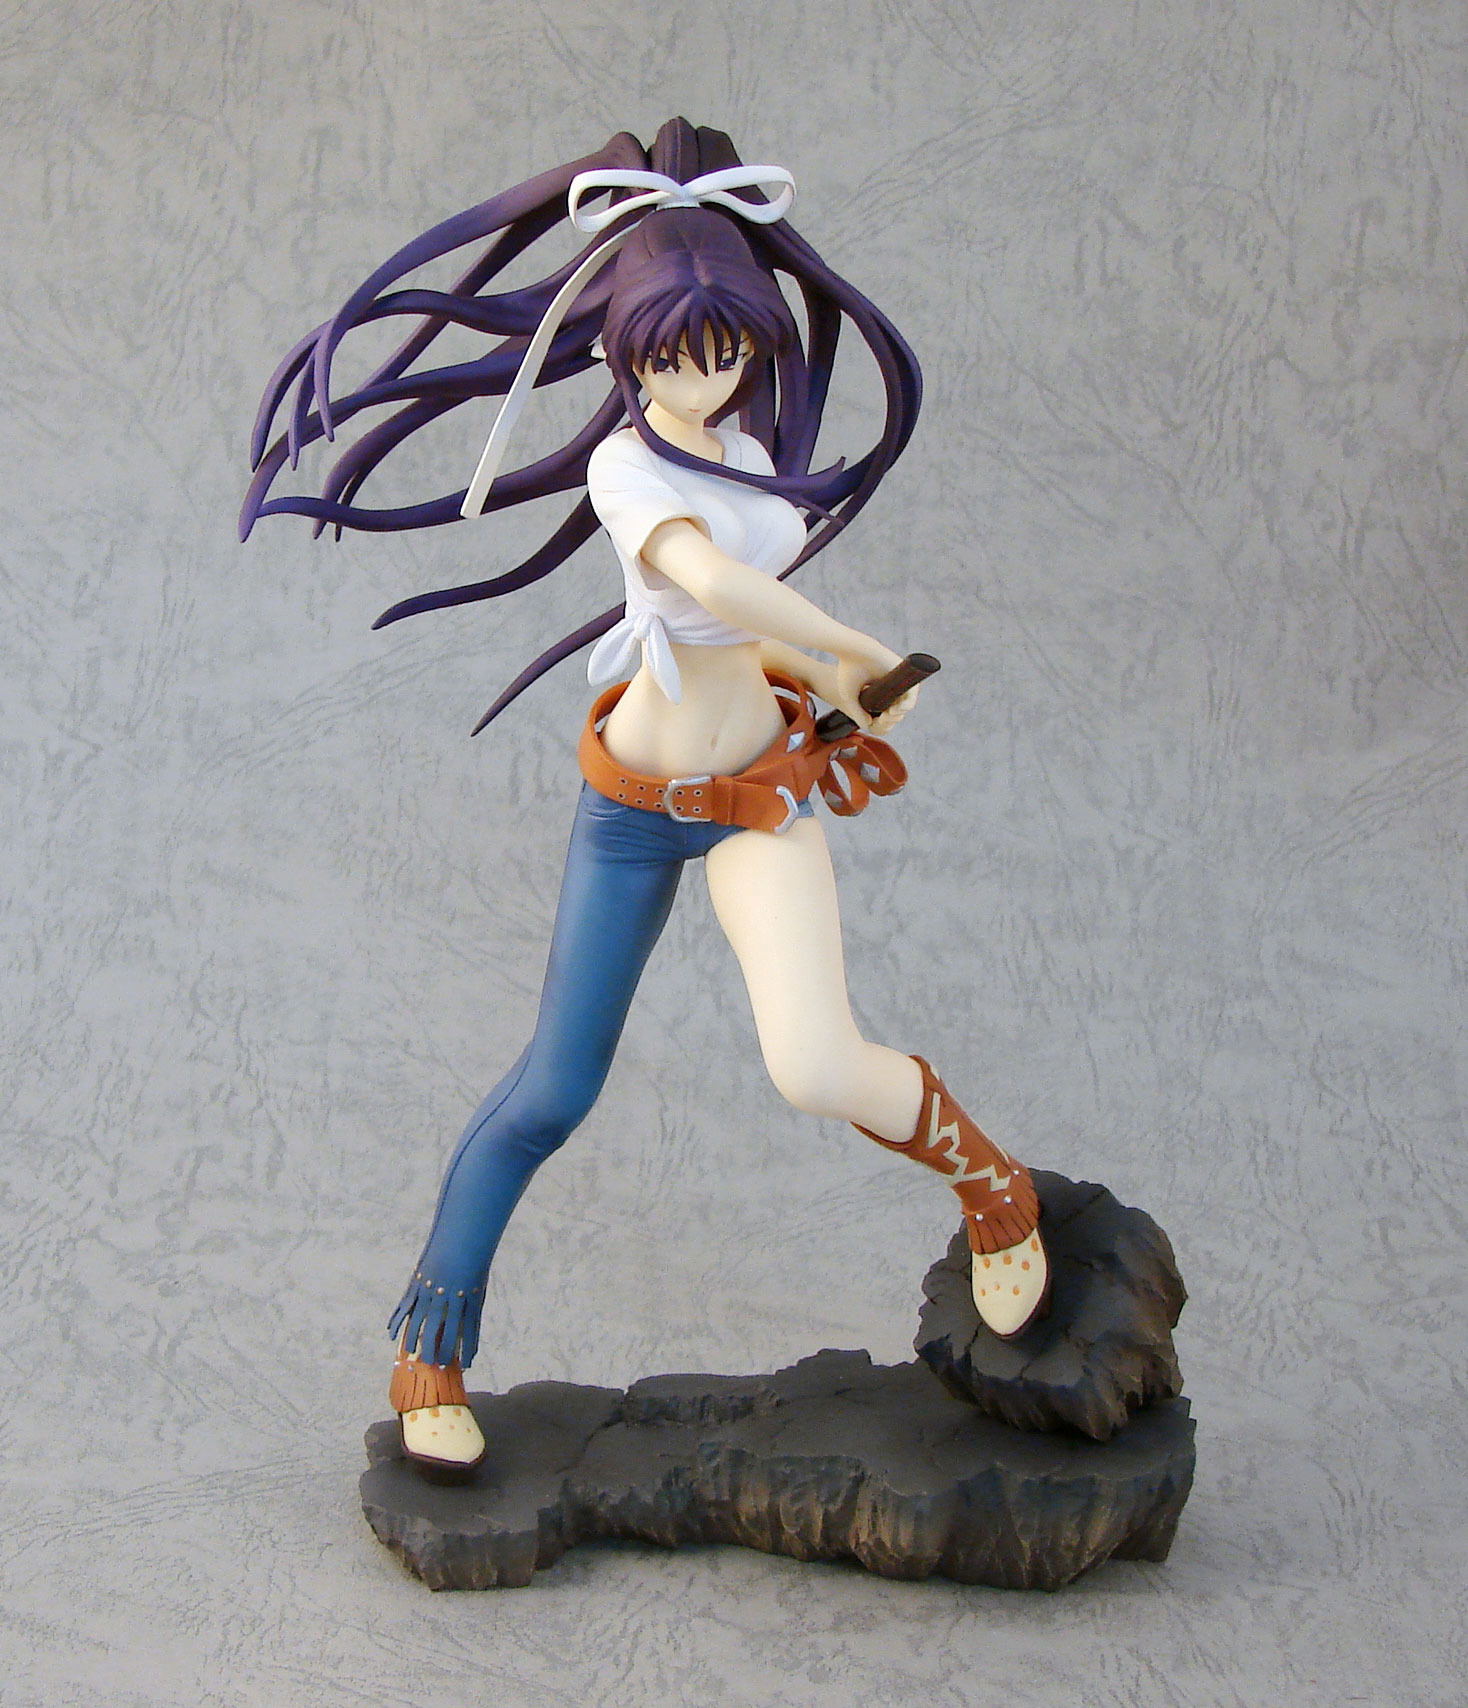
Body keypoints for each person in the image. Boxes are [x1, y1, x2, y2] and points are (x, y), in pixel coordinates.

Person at [244, 119, 1049, 1477]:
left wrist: (841, 685)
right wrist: (848, 640)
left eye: (725, 351)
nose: (704, 377)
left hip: (760, 791)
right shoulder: (626, 466)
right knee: (550, 1092)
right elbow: (714, 586)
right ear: (626, 353)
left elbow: (751, 626)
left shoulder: (752, 465)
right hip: (633, 810)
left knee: (814, 1062)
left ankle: (997, 1190)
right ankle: (430, 1350)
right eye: (674, 355)